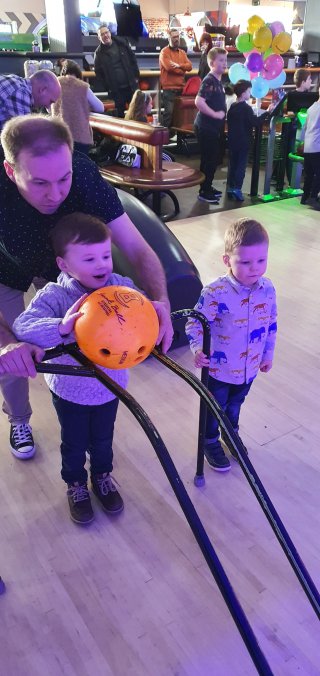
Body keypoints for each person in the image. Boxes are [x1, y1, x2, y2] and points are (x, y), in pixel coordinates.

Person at [0, 114, 173, 460]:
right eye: (40, 183)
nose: (55, 194)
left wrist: (161, 302)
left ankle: (85, 406)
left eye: (63, 178)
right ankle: (19, 417)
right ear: (10, 171)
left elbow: (138, 249)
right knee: (12, 356)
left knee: (67, 334)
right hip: (7, 266)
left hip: (62, 266)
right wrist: (7, 345)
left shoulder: (85, 178)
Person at [13, 213, 143, 524]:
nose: (101, 265)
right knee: (74, 443)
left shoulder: (119, 286)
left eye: (105, 255)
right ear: (64, 265)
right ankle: (75, 484)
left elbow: (141, 307)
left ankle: (102, 476)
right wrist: (62, 326)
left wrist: (150, 310)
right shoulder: (55, 296)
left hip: (110, 385)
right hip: (70, 389)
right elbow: (23, 326)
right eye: (89, 258)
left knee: (102, 439)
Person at [185, 218, 277, 472]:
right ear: (227, 260)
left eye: (261, 260)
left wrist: (267, 353)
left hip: (249, 368)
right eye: (245, 262)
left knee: (235, 405)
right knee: (215, 407)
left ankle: (231, 433)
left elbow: (270, 323)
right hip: (218, 370)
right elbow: (195, 323)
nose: (254, 268)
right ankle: (210, 440)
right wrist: (198, 349)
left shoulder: (267, 289)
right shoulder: (215, 292)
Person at [194, 47, 227, 204]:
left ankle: (207, 186)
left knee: (212, 159)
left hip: (213, 127)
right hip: (206, 126)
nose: (224, 63)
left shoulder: (218, 81)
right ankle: (204, 191)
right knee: (209, 159)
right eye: (221, 60)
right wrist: (215, 114)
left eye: (225, 60)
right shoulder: (209, 80)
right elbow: (199, 102)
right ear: (212, 63)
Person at [51, 59, 104, 155]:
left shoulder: (55, 85)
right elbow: (100, 108)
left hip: (58, 136)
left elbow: (48, 107)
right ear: (78, 73)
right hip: (80, 137)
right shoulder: (82, 87)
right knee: (80, 166)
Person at [94, 24, 140, 118]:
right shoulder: (98, 54)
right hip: (116, 91)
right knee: (119, 118)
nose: (105, 35)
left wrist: (136, 77)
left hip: (131, 86)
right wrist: (108, 87)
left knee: (137, 114)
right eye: (102, 34)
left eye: (106, 32)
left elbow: (133, 60)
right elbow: (98, 74)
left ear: (110, 33)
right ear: (99, 38)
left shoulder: (122, 44)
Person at [227, 80, 255, 202]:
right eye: (249, 91)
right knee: (241, 167)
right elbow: (255, 122)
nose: (250, 93)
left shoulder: (232, 106)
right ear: (244, 93)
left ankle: (230, 188)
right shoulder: (247, 108)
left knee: (232, 165)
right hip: (244, 142)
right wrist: (268, 113)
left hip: (233, 141)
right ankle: (237, 189)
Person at [159, 29, 192, 130]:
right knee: (168, 114)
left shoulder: (182, 52)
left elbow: (190, 66)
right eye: (174, 37)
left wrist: (178, 65)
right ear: (169, 38)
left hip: (181, 89)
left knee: (179, 116)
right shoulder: (164, 52)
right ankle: (164, 139)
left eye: (177, 37)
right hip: (169, 89)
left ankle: (176, 137)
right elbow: (169, 67)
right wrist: (182, 69)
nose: (176, 39)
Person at [300, 87, 320, 208]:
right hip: (317, 146)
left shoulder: (311, 108)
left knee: (309, 174)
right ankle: (313, 197)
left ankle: (305, 197)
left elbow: (305, 127)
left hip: (308, 145)